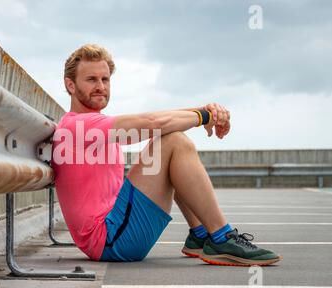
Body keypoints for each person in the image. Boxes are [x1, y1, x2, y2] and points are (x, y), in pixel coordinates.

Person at [51, 44, 281, 266]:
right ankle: (222, 237)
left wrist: (205, 111)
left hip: (115, 228)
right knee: (173, 141)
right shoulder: (77, 126)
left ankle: (200, 235)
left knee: (168, 141)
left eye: (105, 79)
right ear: (70, 85)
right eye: (91, 79)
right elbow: (153, 122)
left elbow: (158, 120)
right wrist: (203, 116)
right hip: (110, 239)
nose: (100, 86)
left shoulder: (90, 125)